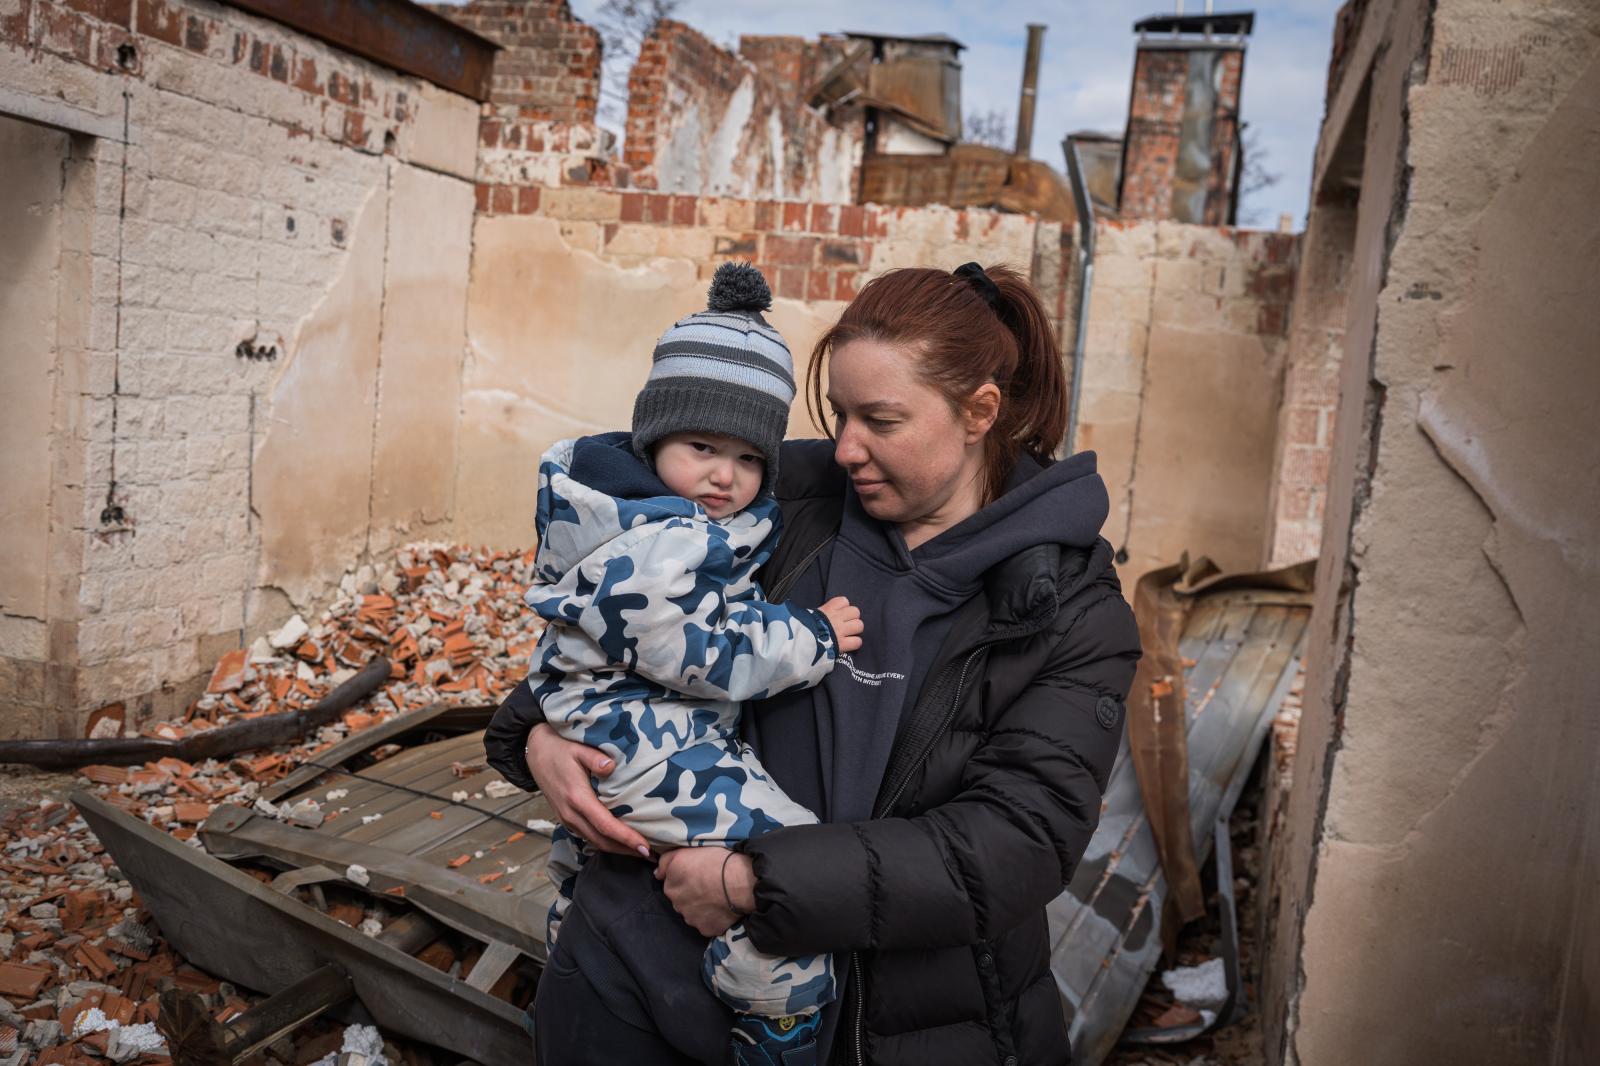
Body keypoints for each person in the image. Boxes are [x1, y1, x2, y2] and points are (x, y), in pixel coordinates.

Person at [486, 262, 1142, 1066]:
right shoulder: (778, 501)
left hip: (911, 1025)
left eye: (881, 419)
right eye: (837, 413)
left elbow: (1015, 842)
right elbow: (619, 619)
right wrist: (536, 738)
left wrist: (753, 883)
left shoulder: (1069, 608)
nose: (846, 447)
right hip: (634, 976)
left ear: (979, 412)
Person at [516, 262, 866, 1066]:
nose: (723, 475)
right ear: (654, 438)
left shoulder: (645, 512)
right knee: (793, 863)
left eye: (748, 459)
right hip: (646, 743)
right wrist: (810, 637)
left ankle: (572, 963)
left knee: (584, 869)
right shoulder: (648, 544)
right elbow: (700, 652)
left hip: (617, 729)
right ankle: (774, 1014)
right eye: (701, 447)